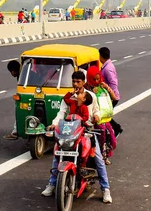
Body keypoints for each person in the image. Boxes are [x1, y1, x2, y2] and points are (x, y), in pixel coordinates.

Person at [41, 70, 112, 204]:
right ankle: (51, 183)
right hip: (70, 131)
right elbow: (61, 114)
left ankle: (106, 189)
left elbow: (96, 110)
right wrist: (53, 124)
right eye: (73, 81)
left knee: (98, 159)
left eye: (78, 81)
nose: (75, 84)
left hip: (87, 131)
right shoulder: (68, 98)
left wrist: (97, 116)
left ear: (83, 82)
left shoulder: (90, 96)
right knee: (58, 154)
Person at [99, 47, 123, 137]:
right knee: (106, 115)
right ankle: (116, 129)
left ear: (101, 56)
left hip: (112, 97)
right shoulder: (107, 65)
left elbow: (113, 83)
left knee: (105, 115)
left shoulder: (107, 68)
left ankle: (117, 129)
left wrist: (112, 96)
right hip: (110, 96)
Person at [4, 60, 21, 140]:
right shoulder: (23, 73)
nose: (12, 74)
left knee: (18, 112)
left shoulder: (23, 75)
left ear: (13, 71)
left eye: (11, 72)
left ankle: (16, 131)